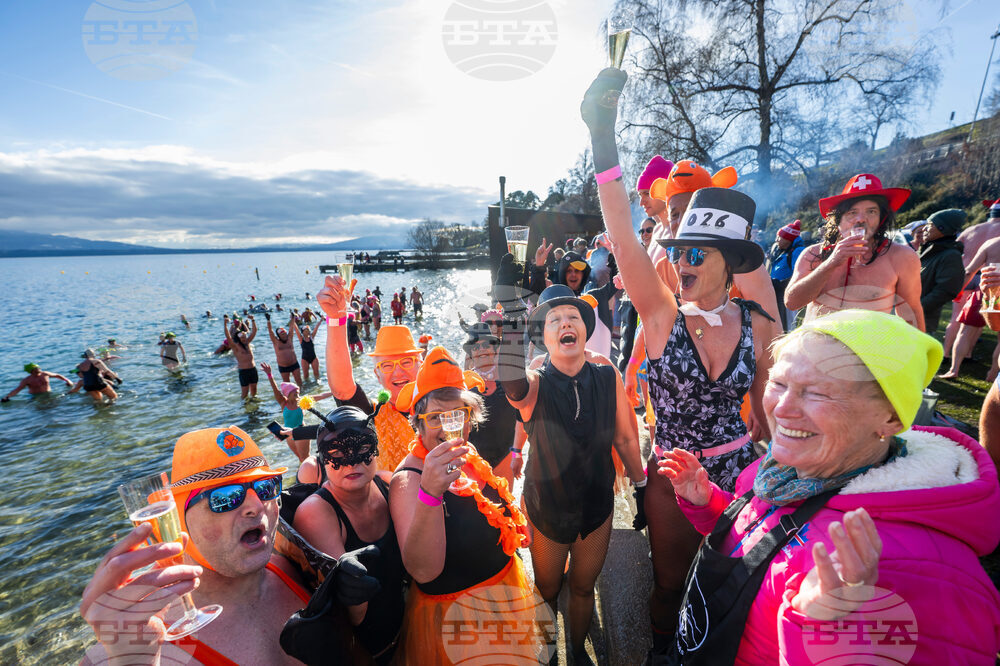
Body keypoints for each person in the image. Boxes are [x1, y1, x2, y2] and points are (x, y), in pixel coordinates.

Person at [658, 309, 1000, 664]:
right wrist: (711, 506)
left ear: (891, 417)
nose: (782, 408)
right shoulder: (784, 471)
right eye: (778, 383)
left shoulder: (924, 570)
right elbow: (764, 539)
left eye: (818, 393)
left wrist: (824, 627)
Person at [580, 67, 776, 654]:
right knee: (668, 586)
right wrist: (602, 136)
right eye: (679, 250)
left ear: (729, 262)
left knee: (733, 587)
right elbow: (622, 231)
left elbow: (769, 412)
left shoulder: (759, 322)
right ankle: (664, 654)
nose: (681, 261)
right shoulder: (663, 316)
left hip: (739, 476)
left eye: (697, 254)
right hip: (670, 476)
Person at [80, 426, 319, 664]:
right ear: (178, 519)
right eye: (226, 498)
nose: (256, 506)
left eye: (266, 487)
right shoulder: (132, 641)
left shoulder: (297, 567)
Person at [498, 284, 647, 663]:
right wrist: (512, 322)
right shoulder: (535, 384)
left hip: (597, 506)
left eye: (572, 317)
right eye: (555, 320)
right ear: (544, 337)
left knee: (583, 587)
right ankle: (548, 655)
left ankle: (577, 651)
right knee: (547, 590)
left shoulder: (607, 376)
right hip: (547, 508)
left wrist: (642, 485)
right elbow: (512, 382)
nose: (565, 323)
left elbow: (626, 438)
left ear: (584, 329)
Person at [390, 347, 546, 665]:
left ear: (469, 417)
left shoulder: (467, 451)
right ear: (417, 423)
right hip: (455, 621)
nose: (448, 427)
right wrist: (431, 493)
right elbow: (423, 571)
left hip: (505, 597)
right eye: (435, 417)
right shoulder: (408, 480)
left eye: (457, 414)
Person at [293, 407, 406, 665]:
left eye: (362, 447)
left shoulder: (389, 484)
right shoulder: (316, 513)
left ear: (376, 448)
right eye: (336, 452)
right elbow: (351, 614)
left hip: (409, 629)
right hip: (364, 654)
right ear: (322, 458)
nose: (352, 462)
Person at [785, 173, 924, 330]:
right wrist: (831, 263)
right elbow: (792, 302)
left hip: (869, 344)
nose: (861, 219)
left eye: (871, 211)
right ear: (838, 218)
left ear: (882, 217)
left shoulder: (902, 257)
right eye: (852, 212)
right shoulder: (813, 254)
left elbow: (911, 311)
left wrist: (921, 346)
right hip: (815, 342)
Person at [319, 276, 422, 473]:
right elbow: (342, 389)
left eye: (406, 362)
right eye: (387, 365)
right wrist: (336, 319)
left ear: (421, 365)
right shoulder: (373, 416)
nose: (398, 372)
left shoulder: (441, 404)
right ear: (377, 375)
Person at [462, 323, 525, 486]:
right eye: (476, 347)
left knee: (504, 499)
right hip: (474, 457)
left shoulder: (509, 378)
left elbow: (522, 417)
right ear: (471, 354)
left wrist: (517, 453)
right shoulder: (464, 383)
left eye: (485, 345)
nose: (481, 350)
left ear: (494, 348)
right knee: (477, 500)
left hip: (505, 455)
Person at [944, 198, 1000, 355]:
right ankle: (967, 355)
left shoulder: (972, 229)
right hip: (989, 278)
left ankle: (945, 353)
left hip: (966, 274)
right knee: (976, 322)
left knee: (956, 317)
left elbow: (953, 251)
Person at [940, 255, 1000, 380]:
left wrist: (958, 292)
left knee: (965, 331)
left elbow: (969, 271)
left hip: (987, 290)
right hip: (988, 290)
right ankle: (993, 373)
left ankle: (954, 370)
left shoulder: (991, 245)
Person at [261, 363, 330, 463]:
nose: (298, 393)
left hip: (301, 431)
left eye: (298, 391)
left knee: (305, 458)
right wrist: (269, 375)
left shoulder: (302, 401)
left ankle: (315, 469)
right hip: (287, 433)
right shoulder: (283, 403)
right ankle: (312, 469)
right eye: (295, 392)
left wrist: (333, 392)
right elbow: (275, 390)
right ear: (288, 394)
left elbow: (321, 396)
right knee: (300, 458)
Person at [915, 208, 966, 335]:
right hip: (905, 317)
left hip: (920, 322)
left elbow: (946, 290)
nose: (924, 229)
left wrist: (916, 308)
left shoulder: (950, 255)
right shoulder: (928, 250)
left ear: (943, 229)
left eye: (929, 225)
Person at [767, 220, 806, 331]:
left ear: (788, 239)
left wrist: (779, 284)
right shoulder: (783, 250)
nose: (776, 240)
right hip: (778, 293)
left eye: (779, 237)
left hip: (787, 295)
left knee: (788, 326)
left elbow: (799, 274)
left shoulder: (797, 251)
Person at [224, 314, 259, 399]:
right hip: (244, 371)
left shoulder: (247, 343)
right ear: (238, 338)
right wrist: (225, 324)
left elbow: (254, 332)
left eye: (244, 337)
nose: (244, 339)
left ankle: (254, 404)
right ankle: (244, 405)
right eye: (242, 338)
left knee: (254, 390)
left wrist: (253, 320)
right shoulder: (235, 347)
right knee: (245, 393)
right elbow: (228, 336)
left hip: (253, 369)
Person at [1, 363, 73, 401]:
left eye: (38, 367)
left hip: (48, 393)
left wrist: (67, 381)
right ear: (31, 370)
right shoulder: (27, 380)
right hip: (35, 396)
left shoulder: (45, 374)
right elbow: (18, 389)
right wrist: (7, 397)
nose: (39, 368)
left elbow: (57, 375)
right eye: (36, 368)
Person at [266, 313, 303, 386]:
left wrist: (293, 318)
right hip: (283, 366)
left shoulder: (289, 338)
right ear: (279, 336)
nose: (285, 335)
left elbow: (291, 327)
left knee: (299, 381)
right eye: (282, 334)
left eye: (285, 333)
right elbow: (270, 331)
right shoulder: (276, 341)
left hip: (294, 364)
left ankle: (302, 392)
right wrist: (268, 321)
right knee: (287, 384)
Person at [292, 317, 321, 383]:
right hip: (305, 359)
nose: (307, 331)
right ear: (303, 332)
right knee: (306, 375)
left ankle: (317, 385)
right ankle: (307, 386)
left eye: (308, 330)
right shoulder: (301, 339)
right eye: (306, 330)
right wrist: (293, 320)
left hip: (313, 358)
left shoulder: (312, 337)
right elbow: (296, 330)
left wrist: (320, 320)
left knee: (316, 373)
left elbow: (316, 328)